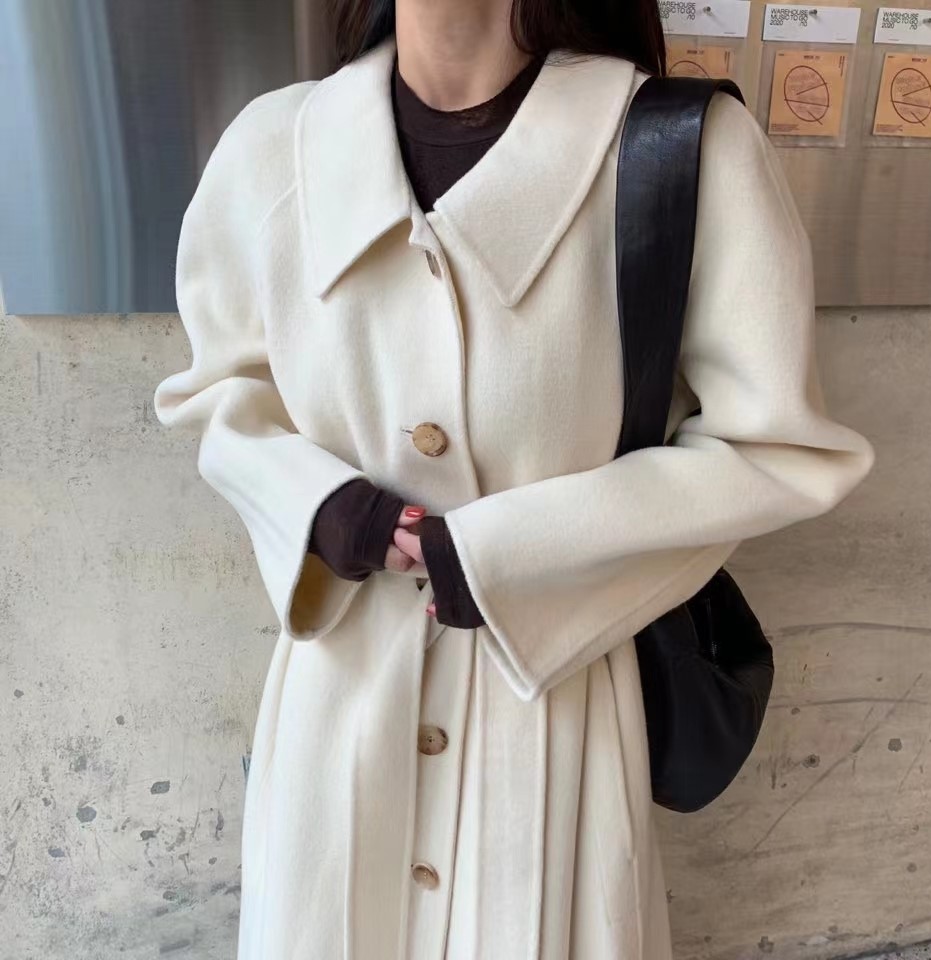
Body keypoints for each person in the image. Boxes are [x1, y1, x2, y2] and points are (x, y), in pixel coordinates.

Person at [153, 0, 875, 956]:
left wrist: (511, 555)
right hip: (337, 726)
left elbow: (778, 447)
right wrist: (316, 508)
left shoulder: (684, 149)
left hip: (554, 726)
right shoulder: (270, 149)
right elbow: (217, 391)